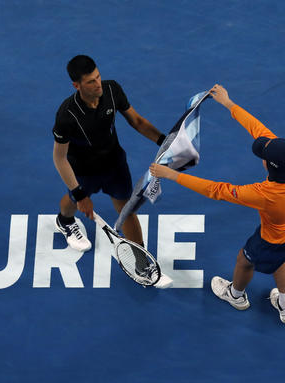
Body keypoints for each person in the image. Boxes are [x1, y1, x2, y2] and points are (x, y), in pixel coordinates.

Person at [149, 84, 285, 323]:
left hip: (272, 240)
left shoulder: (265, 194)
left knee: (245, 260)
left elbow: (217, 191)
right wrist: (228, 103)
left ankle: (236, 295)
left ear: (270, 166)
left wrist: (171, 175)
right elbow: (258, 129)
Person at [52, 55, 166, 255]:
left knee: (126, 209)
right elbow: (59, 158)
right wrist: (79, 194)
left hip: (115, 164)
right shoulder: (66, 116)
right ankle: (65, 221)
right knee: (72, 202)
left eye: (98, 77)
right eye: (90, 81)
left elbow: (137, 121)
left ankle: (141, 259)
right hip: (83, 171)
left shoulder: (112, 90)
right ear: (76, 85)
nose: (98, 84)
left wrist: (163, 142)